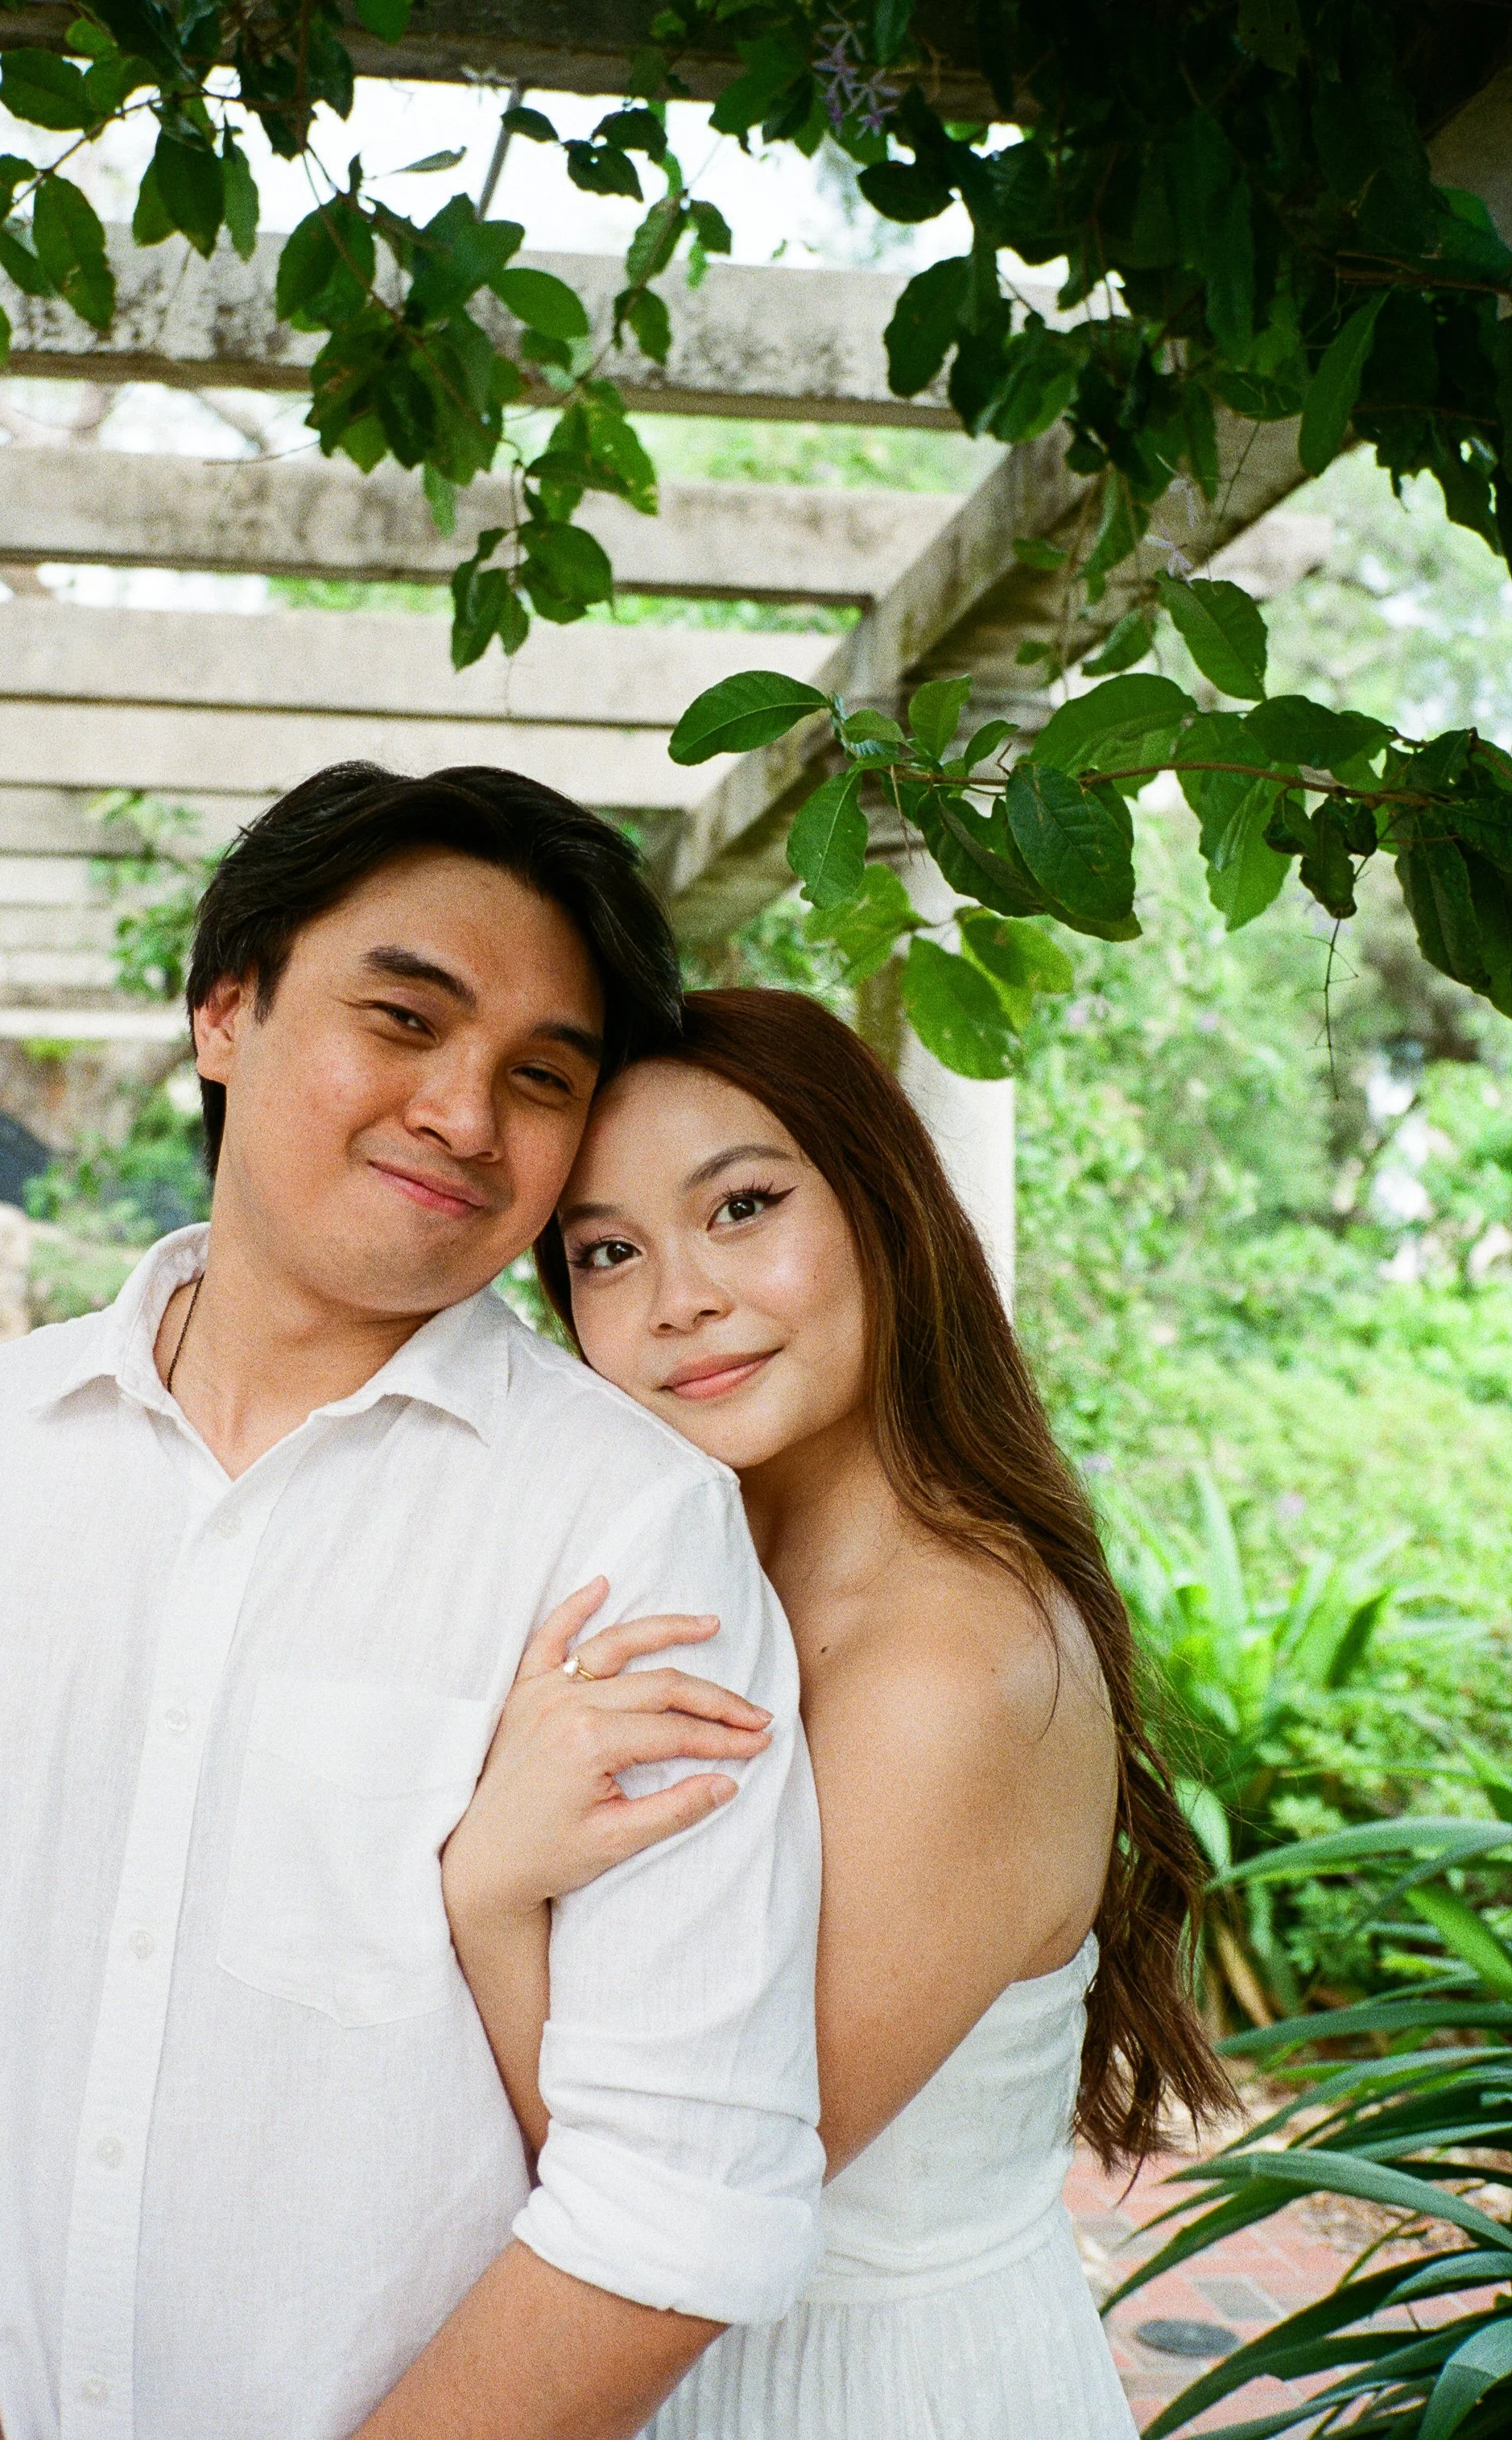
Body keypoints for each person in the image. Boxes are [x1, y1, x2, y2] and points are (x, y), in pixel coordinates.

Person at [0, 766, 828, 2440]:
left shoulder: (630, 1526)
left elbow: (673, 2187)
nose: (463, 1113)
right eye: (402, 1019)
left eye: (538, 1076)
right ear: (226, 1009)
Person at [442, 986, 1234, 2439]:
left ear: (882, 1206)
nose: (679, 1294)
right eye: (607, 1250)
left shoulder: (956, 1663)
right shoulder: (691, 1578)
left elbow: (689, 2184)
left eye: (740, 1206)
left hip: (866, 2387)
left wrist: (490, 1893)